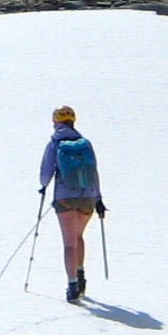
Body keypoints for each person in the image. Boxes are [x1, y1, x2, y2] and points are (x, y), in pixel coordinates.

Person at [38, 106, 105, 304]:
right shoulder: (86, 144)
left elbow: (45, 175)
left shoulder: (55, 143)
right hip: (88, 196)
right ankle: (81, 274)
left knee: (69, 243)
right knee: (78, 236)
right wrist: (98, 198)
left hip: (65, 197)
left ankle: (72, 285)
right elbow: (94, 172)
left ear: (55, 122)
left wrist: (43, 187)